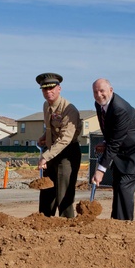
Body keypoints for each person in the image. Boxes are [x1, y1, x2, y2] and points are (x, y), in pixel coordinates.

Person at [90, 78, 135, 221]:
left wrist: (100, 170)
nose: (99, 95)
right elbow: (109, 131)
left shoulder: (120, 108)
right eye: (95, 92)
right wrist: (105, 141)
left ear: (111, 90)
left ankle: (125, 224)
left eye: (102, 91)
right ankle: (116, 221)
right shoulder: (99, 104)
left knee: (124, 185)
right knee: (117, 185)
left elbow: (115, 143)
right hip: (121, 151)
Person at [35, 72, 82, 218]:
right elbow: (51, 128)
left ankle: (67, 225)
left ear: (59, 89)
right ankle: (44, 221)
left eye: (52, 88)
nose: (48, 92)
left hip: (67, 153)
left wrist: (45, 157)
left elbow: (65, 139)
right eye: (45, 89)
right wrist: (44, 137)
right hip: (52, 151)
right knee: (47, 190)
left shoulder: (69, 109)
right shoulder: (46, 106)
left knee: (64, 193)